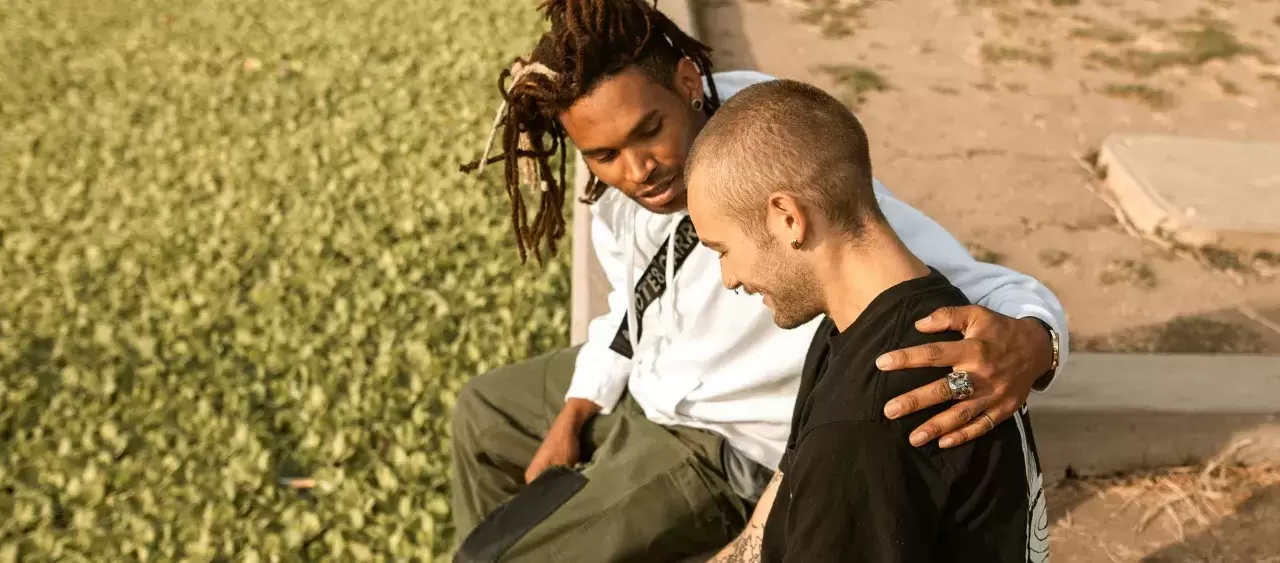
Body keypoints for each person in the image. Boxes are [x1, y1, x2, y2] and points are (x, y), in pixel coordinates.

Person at [451, 0, 1067, 560]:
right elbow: (629, 305)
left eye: (648, 132)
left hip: (717, 442)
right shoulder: (615, 195)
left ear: (688, 85)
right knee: (481, 411)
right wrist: (575, 412)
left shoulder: (773, 156)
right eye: (604, 155)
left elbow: (924, 276)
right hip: (654, 381)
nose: (637, 170)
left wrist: (1036, 343)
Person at [685, 78, 1050, 563]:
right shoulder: (893, 316)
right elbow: (765, 526)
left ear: (787, 218)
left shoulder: (863, 424)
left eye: (723, 250)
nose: (728, 278)